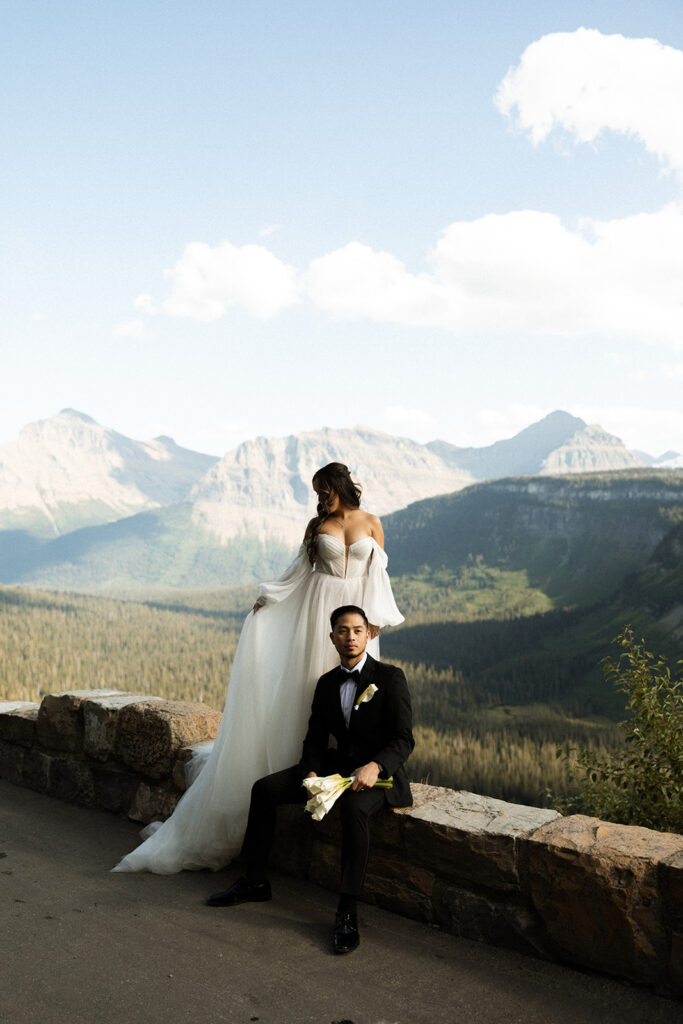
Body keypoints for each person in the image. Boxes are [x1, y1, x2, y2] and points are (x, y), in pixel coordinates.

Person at [113, 463, 404, 874]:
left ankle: (349, 759)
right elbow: (300, 572)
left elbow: (379, 574)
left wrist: (374, 619)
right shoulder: (315, 527)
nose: (321, 498)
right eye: (318, 492)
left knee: (354, 691)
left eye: (325, 490)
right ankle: (302, 764)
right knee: (310, 688)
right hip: (316, 612)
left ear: (340, 485)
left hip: (355, 613)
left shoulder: (372, 522)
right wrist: (270, 598)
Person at [206, 605, 414, 955]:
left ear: (369, 634)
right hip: (336, 767)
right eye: (343, 631)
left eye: (358, 630)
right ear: (332, 637)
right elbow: (315, 737)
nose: (350, 637)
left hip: (380, 776)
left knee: (353, 811)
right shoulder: (326, 683)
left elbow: (403, 739)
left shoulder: (391, 678)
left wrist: (376, 766)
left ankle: (347, 912)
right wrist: (311, 772)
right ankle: (255, 880)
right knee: (265, 789)